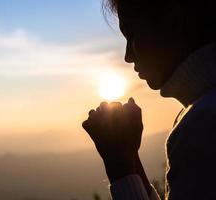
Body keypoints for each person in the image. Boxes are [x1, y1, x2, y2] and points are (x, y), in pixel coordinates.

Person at [82, 0, 216, 199]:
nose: (127, 56)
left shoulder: (204, 125)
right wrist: (129, 158)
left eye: (132, 34)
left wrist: (118, 166)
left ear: (174, 20)